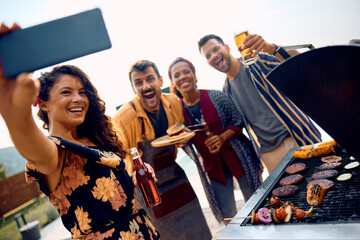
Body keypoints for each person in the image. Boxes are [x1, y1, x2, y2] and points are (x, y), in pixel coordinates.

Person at [0, 24, 159, 240]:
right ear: (43, 103)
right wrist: (13, 111)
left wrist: (130, 178)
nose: (78, 99)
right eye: (66, 92)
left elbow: (100, 188)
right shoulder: (53, 152)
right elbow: (27, 138)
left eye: (82, 92)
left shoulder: (94, 139)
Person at [112, 60, 212, 240]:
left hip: (177, 179)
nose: (146, 86)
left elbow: (179, 138)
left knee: (200, 232)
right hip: (149, 189)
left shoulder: (174, 102)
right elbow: (121, 157)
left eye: (150, 79)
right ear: (134, 89)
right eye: (139, 83)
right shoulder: (123, 118)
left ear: (160, 81)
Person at [198, 34, 322, 173]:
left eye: (215, 49)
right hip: (268, 155)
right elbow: (236, 124)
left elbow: (296, 65)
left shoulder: (259, 61)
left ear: (227, 48)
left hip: (297, 138)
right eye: (208, 55)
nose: (213, 56)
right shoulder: (226, 90)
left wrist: (272, 48)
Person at [168, 57, 262, 221]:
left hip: (239, 158)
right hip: (213, 166)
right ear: (173, 82)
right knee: (227, 215)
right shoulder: (176, 111)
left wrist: (222, 137)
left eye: (186, 72)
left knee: (257, 205)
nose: (182, 76)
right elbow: (180, 138)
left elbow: (238, 120)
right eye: (176, 75)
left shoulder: (216, 96)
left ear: (194, 75)